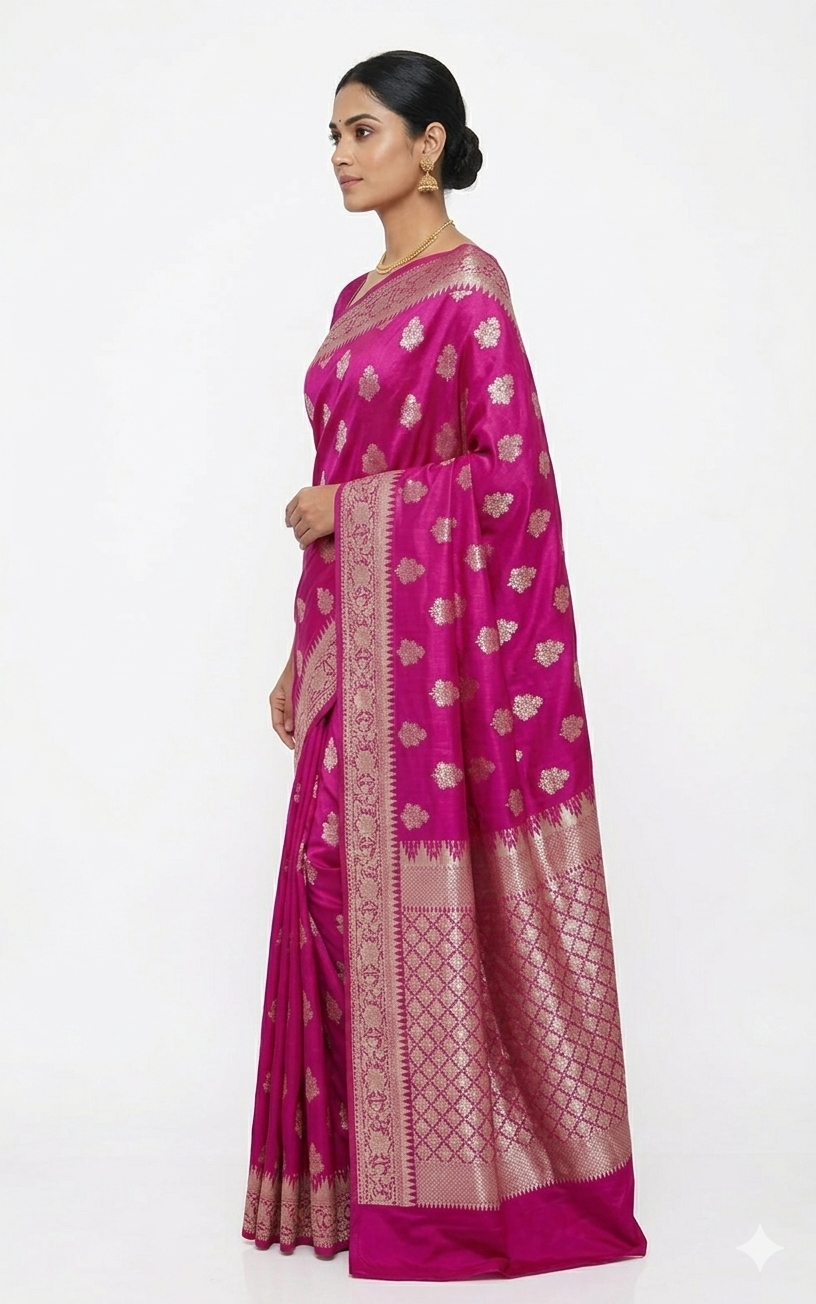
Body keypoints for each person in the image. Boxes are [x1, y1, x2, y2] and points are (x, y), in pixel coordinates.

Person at [242, 49, 648, 1282]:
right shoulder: (349, 299)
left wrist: (349, 515)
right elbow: (345, 485)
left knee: (390, 896)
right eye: (331, 134)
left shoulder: (472, 292)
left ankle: (459, 1187)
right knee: (326, 884)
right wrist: (298, 648)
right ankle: (353, 1182)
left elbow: (513, 488)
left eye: (363, 131)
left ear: (430, 145)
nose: (341, 154)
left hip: (431, 686)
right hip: (351, 662)